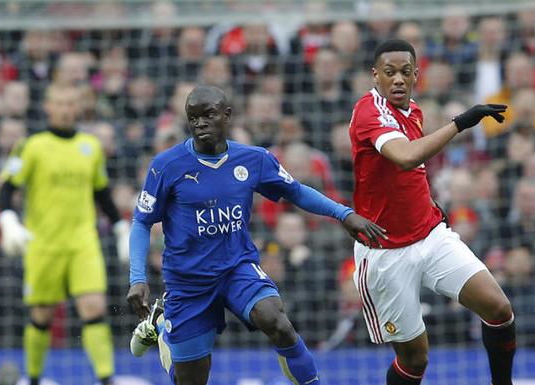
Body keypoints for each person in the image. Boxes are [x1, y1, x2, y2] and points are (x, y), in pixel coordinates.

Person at [126, 85, 387, 385]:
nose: (200, 124)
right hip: (188, 281)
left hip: (237, 269)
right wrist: (138, 278)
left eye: (208, 115)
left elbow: (296, 191)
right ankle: (161, 326)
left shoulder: (253, 159)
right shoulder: (166, 166)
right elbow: (141, 221)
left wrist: (344, 214)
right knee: (190, 380)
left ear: (227, 115)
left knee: (278, 323)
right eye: (193, 118)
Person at [348, 39, 516, 385]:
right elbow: (407, 156)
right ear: (375, 75)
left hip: (430, 235)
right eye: (390, 72)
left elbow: (408, 175)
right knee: (415, 360)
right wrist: (460, 123)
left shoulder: (414, 111)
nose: (397, 80)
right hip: (386, 254)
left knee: (499, 310)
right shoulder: (369, 111)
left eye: (405, 73)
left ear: (415, 76)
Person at [0, 83, 131, 385]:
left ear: (78, 107)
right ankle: (32, 377)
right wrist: (8, 220)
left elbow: (102, 192)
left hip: (83, 242)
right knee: (41, 315)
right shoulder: (31, 145)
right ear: (48, 106)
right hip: (43, 244)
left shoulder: (90, 146)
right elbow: (7, 187)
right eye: (60, 103)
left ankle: (106, 378)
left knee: (94, 306)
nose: (66, 109)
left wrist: (121, 226)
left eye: (71, 103)